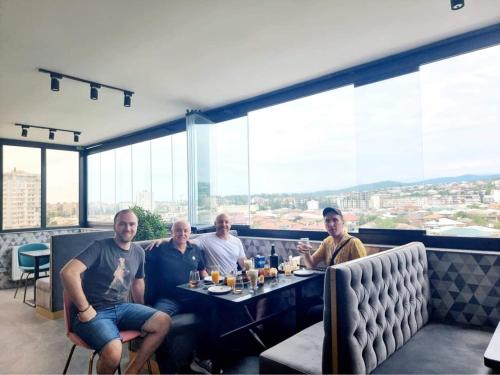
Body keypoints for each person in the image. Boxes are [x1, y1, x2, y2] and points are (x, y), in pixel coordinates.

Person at [60, 209, 171, 374]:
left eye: (132, 224)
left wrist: (142, 313)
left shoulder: (138, 252)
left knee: (163, 321)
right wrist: (85, 308)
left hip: (123, 308)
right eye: (122, 224)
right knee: (113, 353)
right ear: (115, 226)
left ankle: (131, 371)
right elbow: (68, 272)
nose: (128, 228)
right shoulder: (99, 247)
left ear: (137, 227)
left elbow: (137, 283)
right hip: (94, 313)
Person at [145, 219, 210, 374]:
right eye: (178, 230)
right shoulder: (159, 248)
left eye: (186, 230)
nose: (182, 234)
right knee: (158, 325)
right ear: (172, 232)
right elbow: (137, 259)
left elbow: (203, 273)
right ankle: (168, 371)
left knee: (216, 309)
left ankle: (202, 358)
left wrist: (211, 286)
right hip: (168, 300)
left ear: (190, 232)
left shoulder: (195, 249)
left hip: (193, 297)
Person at [297, 207, 367, 323]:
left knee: (311, 312)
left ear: (342, 222)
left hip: (347, 299)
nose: (331, 224)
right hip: (331, 296)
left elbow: (364, 277)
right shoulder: (327, 242)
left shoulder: (354, 243)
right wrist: (306, 253)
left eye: (335, 220)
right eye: (327, 221)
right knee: (302, 303)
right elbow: (311, 265)